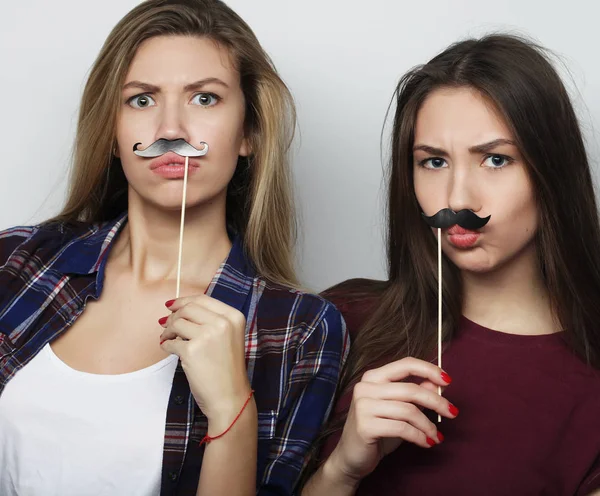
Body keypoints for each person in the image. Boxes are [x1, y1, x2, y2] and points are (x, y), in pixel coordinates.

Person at [0, 1, 348, 495]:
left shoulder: (298, 330)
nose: (170, 131)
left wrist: (231, 410)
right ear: (114, 135)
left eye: (204, 99)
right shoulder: (15, 262)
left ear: (248, 131)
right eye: (141, 100)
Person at [301, 34, 600, 495]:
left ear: (552, 171)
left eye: (496, 160)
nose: (458, 198)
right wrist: (341, 471)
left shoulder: (589, 383)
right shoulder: (339, 321)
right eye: (434, 162)